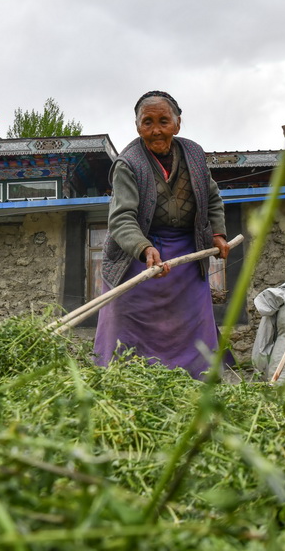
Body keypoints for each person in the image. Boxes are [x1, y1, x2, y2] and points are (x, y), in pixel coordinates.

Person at [93, 90, 230, 378]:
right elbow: (122, 218)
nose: (156, 130)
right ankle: (125, 383)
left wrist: (217, 234)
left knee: (192, 324)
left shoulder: (193, 153)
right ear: (137, 126)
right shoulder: (128, 164)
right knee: (127, 328)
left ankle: (196, 382)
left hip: (187, 254)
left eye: (164, 121)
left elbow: (212, 197)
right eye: (148, 122)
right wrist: (143, 248)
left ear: (178, 123)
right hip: (138, 258)